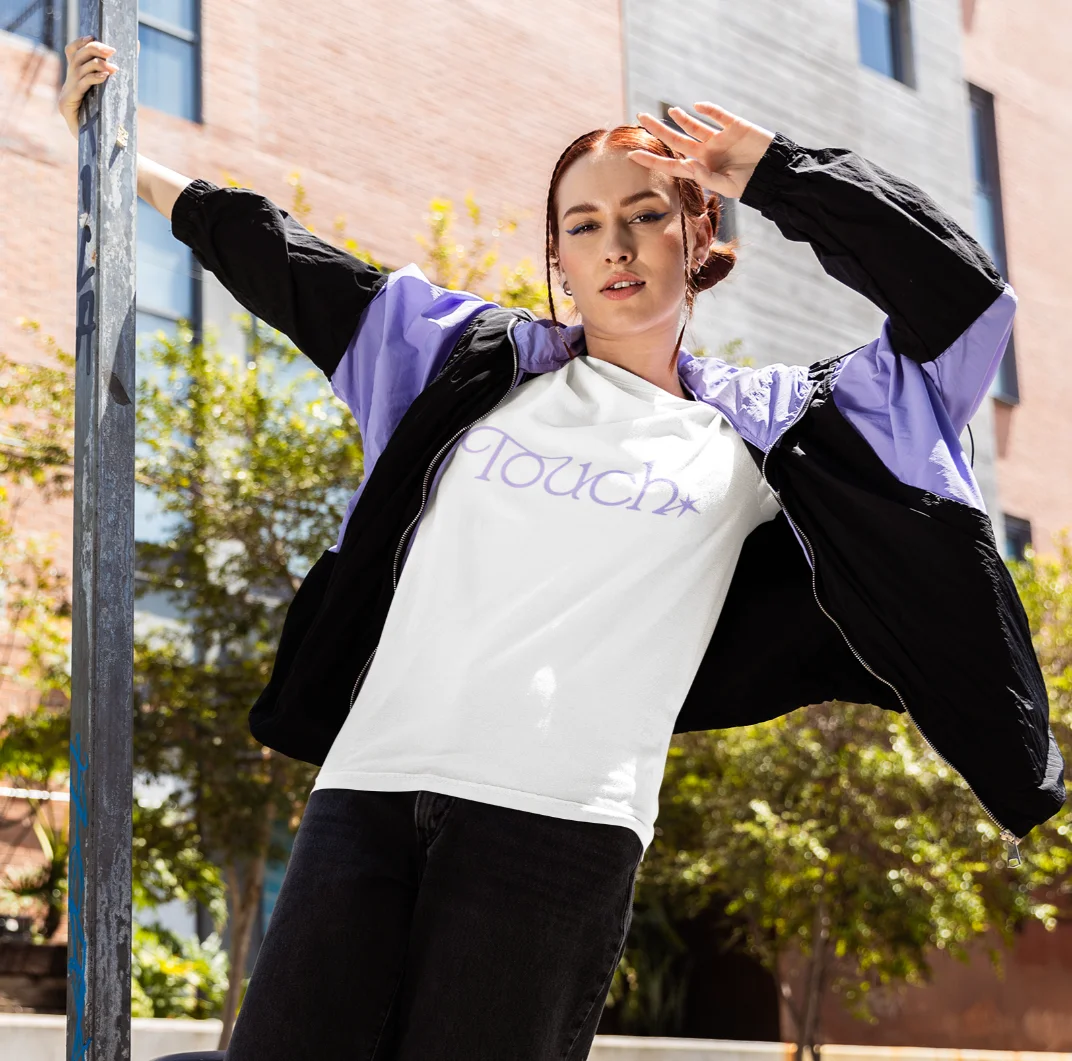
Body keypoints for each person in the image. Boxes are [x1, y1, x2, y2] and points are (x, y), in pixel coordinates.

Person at [60, 36, 1065, 1061]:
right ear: (560, 259)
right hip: (366, 794)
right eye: (584, 225)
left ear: (696, 235)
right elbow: (284, 260)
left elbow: (962, 304)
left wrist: (778, 174)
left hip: (556, 828)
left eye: (644, 215)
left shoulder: (762, 431)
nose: (616, 246)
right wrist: (120, 150)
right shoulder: (461, 362)